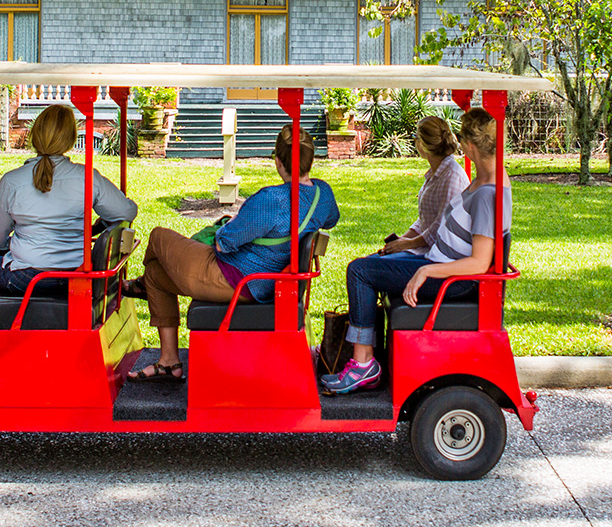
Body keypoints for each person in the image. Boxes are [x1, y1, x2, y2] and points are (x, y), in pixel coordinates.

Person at [124, 124, 339, 380]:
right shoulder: (322, 194)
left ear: (279, 162)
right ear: (310, 160)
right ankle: (169, 361)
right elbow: (331, 219)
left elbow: (224, 243)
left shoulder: (272, 199)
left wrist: (229, 224)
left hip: (238, 279)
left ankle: (139, 288)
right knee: (156, 274)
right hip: (266, 281)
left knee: (159, 235)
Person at [321, 107, 507, 395]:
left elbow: (480, 263)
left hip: (452, 281)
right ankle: (370, 355)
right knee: (368, 266)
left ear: (470, 146)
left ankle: (363, 365)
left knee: (360, 271)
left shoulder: (486, 193)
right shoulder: (484, 181)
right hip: (440, 265)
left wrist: (426, 269)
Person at [0, 105, 139, 322]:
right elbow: (126, 211)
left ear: (35, 135)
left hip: (27, 278)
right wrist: (99, 224)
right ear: (70, 139)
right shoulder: (86, 177)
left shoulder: (12, 181)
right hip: (77, 276)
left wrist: (7, 252)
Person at [378, 115, 468, 255]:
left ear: (424, 144)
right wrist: (401, 241)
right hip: (427, 251)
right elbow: (427, 220)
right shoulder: (437, 172)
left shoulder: (451, 176)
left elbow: (442, 227)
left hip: (439, 258)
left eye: (416, 136)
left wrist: (407, 244)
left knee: (359, 268)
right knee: (372, 261)